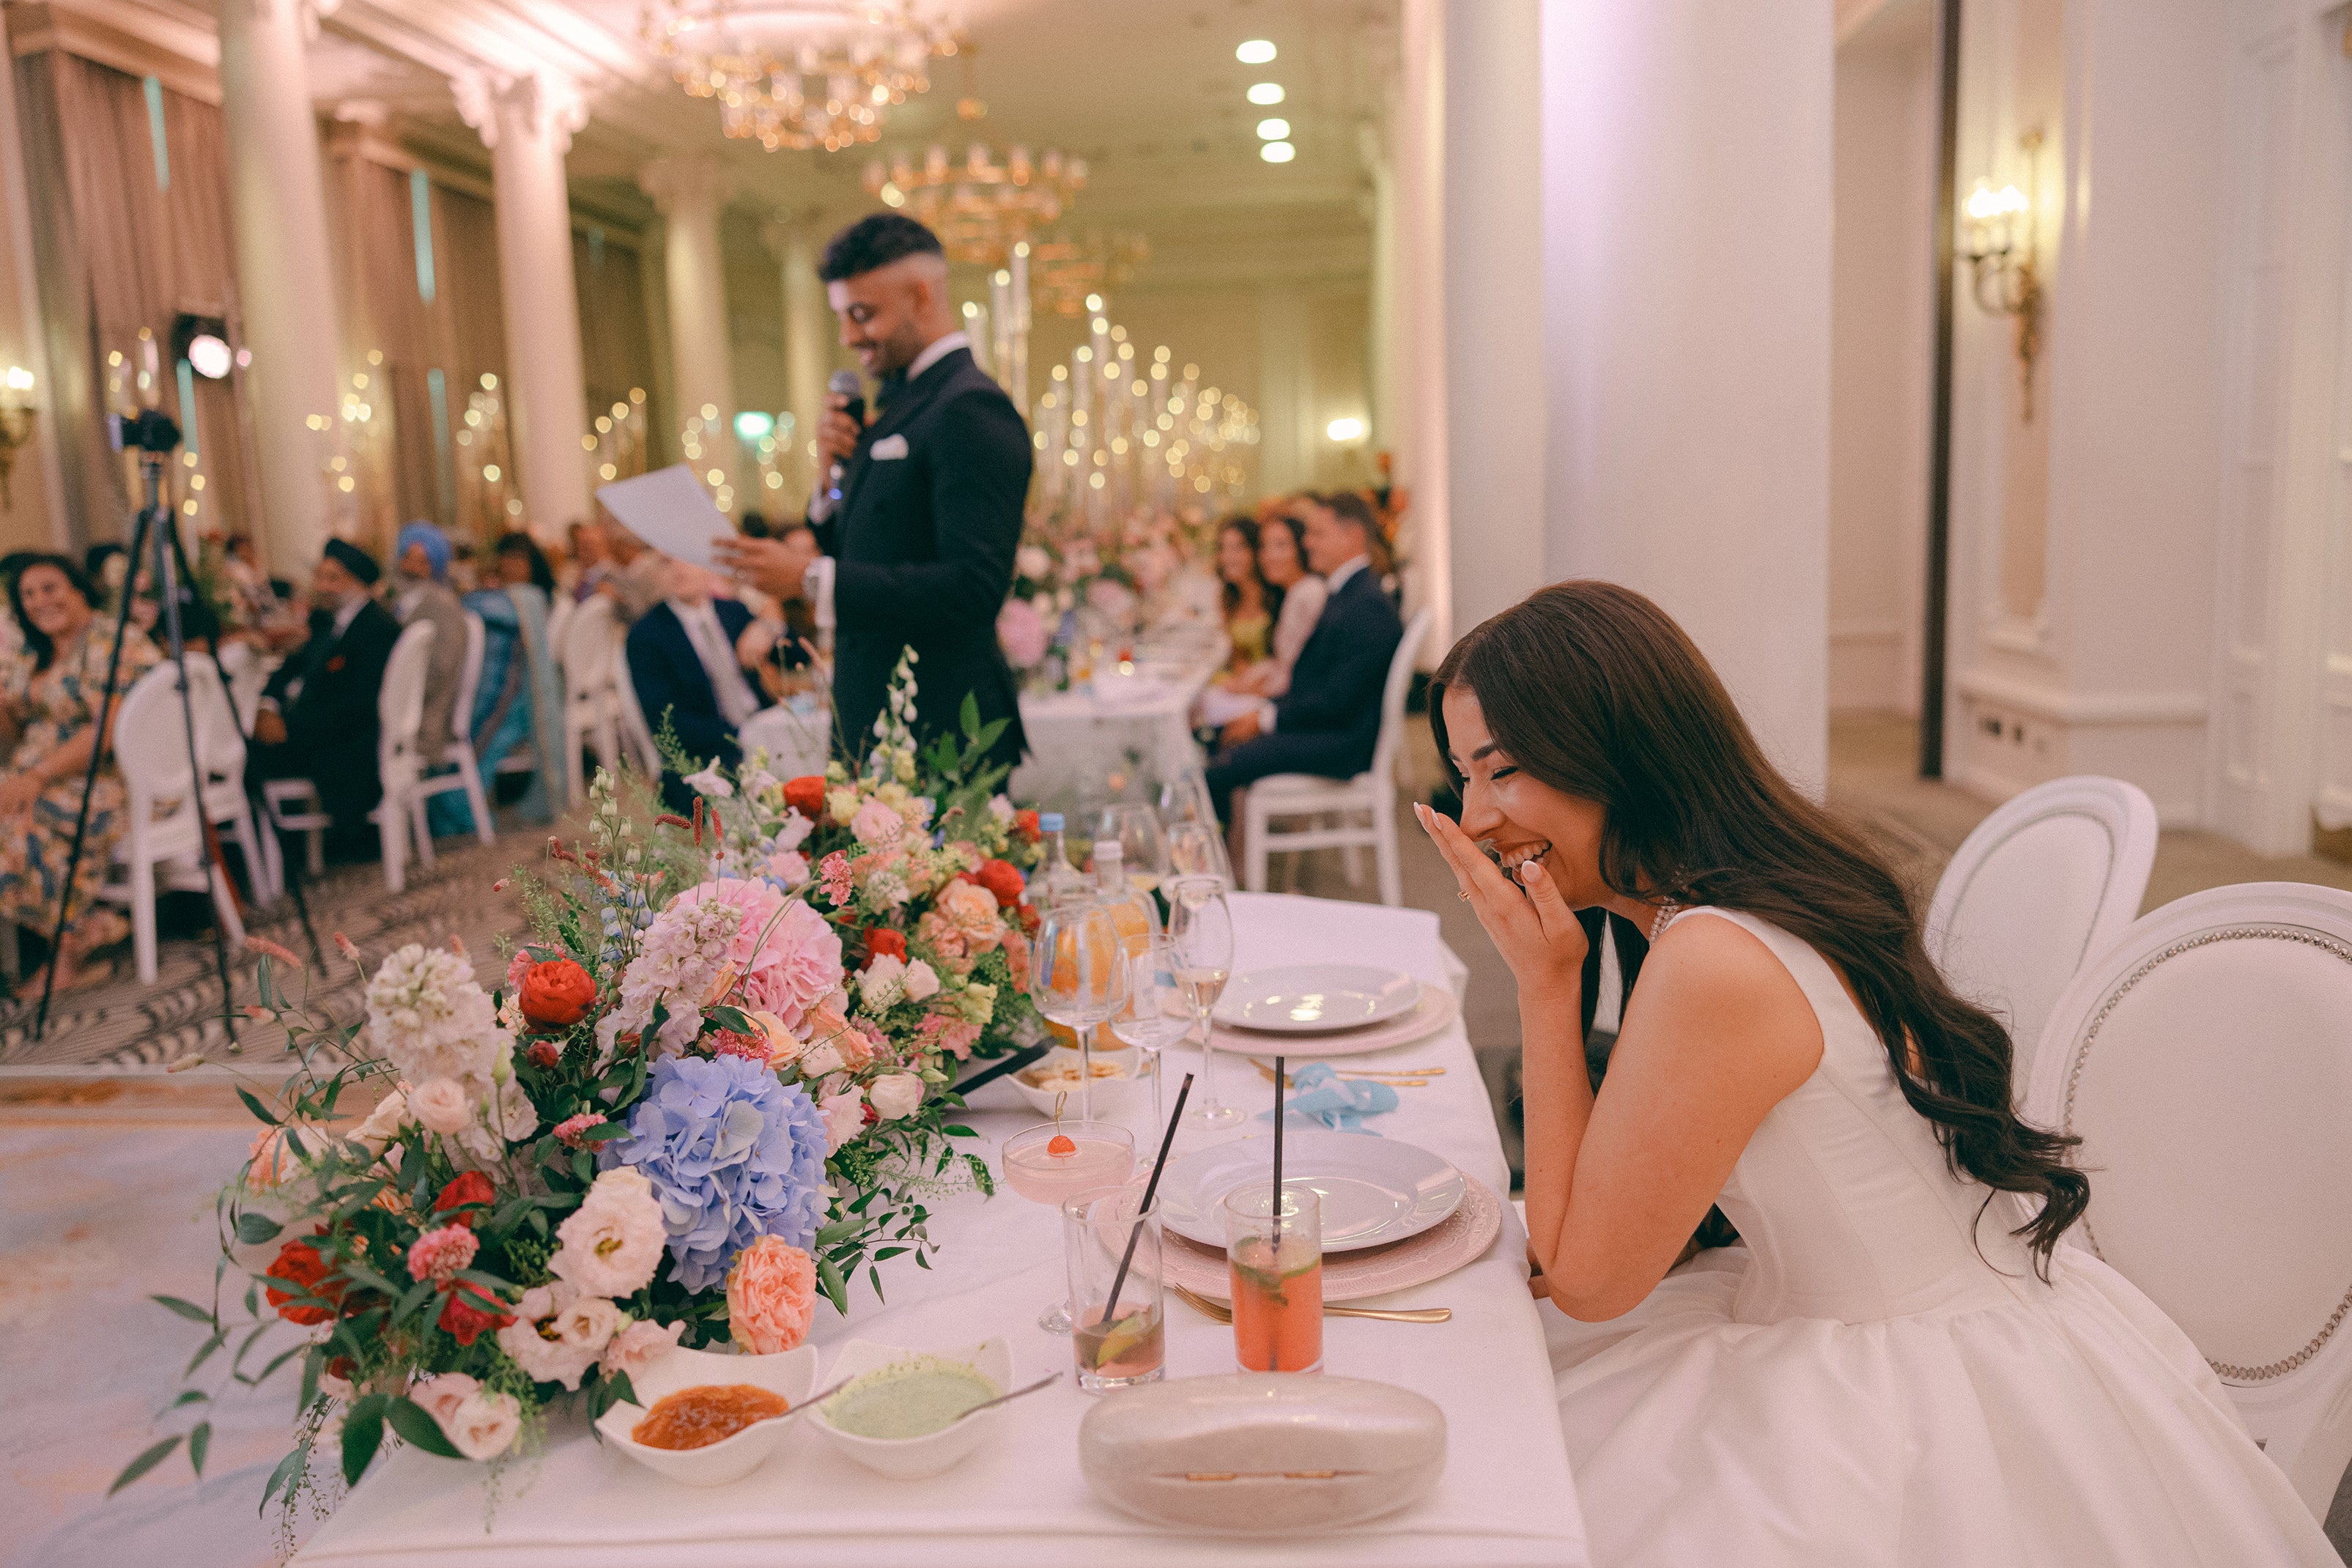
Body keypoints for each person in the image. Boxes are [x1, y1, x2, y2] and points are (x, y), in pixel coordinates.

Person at [1416, 581, 2337, 1568]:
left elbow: (1586, 1278)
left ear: (1615, 748)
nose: (1472, 820)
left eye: (1500, 771)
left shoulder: (1714, 959)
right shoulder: (1752, 888)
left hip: (1903, 1397)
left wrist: (1547, 988)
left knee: (1489, 1477)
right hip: (1935, 1315)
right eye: (1463, 779)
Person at [713, 212, 1030, 772]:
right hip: (875, 717)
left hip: (943, 728)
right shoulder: (898, 405)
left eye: (862, 315)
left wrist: (810, 579)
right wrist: (828, 480)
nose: (849, 337)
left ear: (921, 296)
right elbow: (867, 543)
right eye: (843, 317)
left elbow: (974, 586)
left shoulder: (969, 408)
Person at [0, 555, 159, 990]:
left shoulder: (112, 642)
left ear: (78, 589)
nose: (39, 602)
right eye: (27, 595)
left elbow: (107, 731)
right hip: (35, 770)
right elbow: (14, 727)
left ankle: (69, 947)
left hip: (105, 780)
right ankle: (86, 927)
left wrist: (34, 779)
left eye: (49, 588)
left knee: (15, 828)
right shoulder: (35, 654)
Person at [1202, 494, 1402, 820]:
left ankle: (1213, 864)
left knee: (1218, 767)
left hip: (1342, 744)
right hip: (1328, 728)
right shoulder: (1349, 592)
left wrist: (1266, 719)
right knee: (1216, 742)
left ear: (1351, 536)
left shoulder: (1366, 605)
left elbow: (1338, 699)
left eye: (1318, 534)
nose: (1307, 543)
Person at [247, 539, 401, 856]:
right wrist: (267, 706)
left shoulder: (377, 629)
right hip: (309, 730)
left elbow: (358, 705)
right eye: (321, 577)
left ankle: (274, 857)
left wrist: (290, 728)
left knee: (239, 760)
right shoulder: (325, 621)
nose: (323, 586)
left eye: (334, 579)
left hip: (343, 746)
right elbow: (286, 671)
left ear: (359, 584)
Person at [429, 533, 564, 836]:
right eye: (507, 558)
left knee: (480, 733)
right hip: (496, 689)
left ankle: (461, 810)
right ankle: (454, 808)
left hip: (519, 699)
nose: (511, 565)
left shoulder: (528, 599)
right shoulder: (498, 597)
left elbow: (466, 609)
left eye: (519, 559)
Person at [626, 554, 761, 811]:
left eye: (685, 556)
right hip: (703, 761)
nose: (678, 568)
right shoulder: (647, 636)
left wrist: (768, 626)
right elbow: (666, 723)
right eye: (666, 561)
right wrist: (740, 737)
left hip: (761, 730)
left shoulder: (733, 611)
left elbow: (792, 654)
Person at [391, 520, 467, 767]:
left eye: (422, 561)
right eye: (408, 558)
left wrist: (395, 691)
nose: (412, 567)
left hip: (424, 718)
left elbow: (439, 670)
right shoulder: (401, 601)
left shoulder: (442, 606)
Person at [1229, 510, 1324, 699]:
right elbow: (1282, 664)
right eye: (1264, 547)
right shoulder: (1292, 593)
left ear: (1300, 547)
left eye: (1281, 545)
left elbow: (1307, 674)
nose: (1269, 556)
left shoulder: (1308, 594)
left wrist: (1254, 691)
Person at [1213, 516, 1273, 674]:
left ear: (1255, 551)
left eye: (1237, 548)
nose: (1227, 557)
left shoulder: (1273, 594)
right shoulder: (1230, 596)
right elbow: (1238, 656)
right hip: (1241, 682)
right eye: (1223, 549)